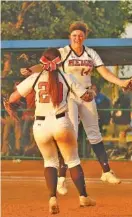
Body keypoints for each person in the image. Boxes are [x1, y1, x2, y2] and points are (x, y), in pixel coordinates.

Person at [22, 21, 129, 192]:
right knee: (70, 136)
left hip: (86, 95)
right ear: (69, 37)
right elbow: (45, 66)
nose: (77, 37)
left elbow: (104, 72)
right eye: (74, 35)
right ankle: (62, 178)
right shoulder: (63, 52)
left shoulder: (90, 53)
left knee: (94, 133)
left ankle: (106, 171)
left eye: (80, 35)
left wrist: (121, 82)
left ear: (85, 36)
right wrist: (30, 70)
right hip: (69, 97)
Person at [9, 48, 96, 215]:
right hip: (61, 122)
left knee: (50, 162)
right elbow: (86, 97)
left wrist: (9, 103)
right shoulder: (67, 77)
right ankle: (83, 196)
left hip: (40, 126)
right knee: (73, 160)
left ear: (43, 61)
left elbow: (13, 98)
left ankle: (52, 198)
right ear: (59, 61)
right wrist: (90, 92)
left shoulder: (35, 78)